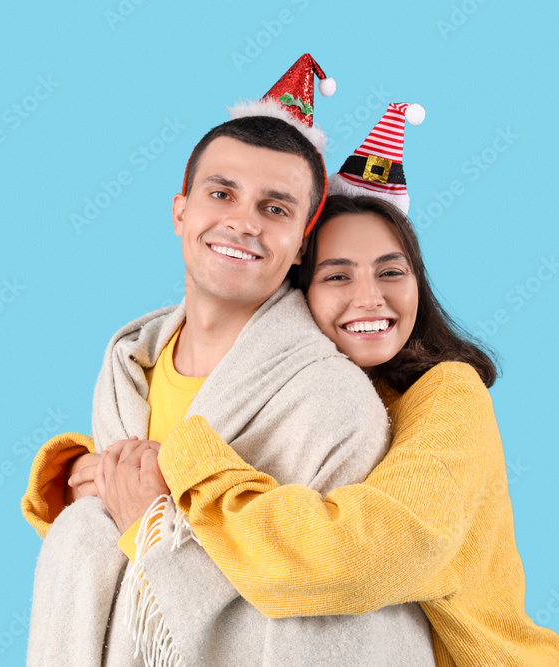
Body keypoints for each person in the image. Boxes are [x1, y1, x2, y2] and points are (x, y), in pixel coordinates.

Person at [63, 105, 559, 665]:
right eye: (338, 275)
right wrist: (90, 471)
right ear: (300, 290)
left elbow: (360, 558)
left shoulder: (442, 396)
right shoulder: (176, 368)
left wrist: (175, 470)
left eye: (392, 271)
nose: (370, 297)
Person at [24, 60, 436, 667]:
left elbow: (329, 597)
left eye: (275, 208)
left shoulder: (330, 402)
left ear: (300, 245)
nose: (242, 222)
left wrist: (153, 521)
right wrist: (93, 486)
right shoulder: (127, 372)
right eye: (221, 194)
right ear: (180, 212)